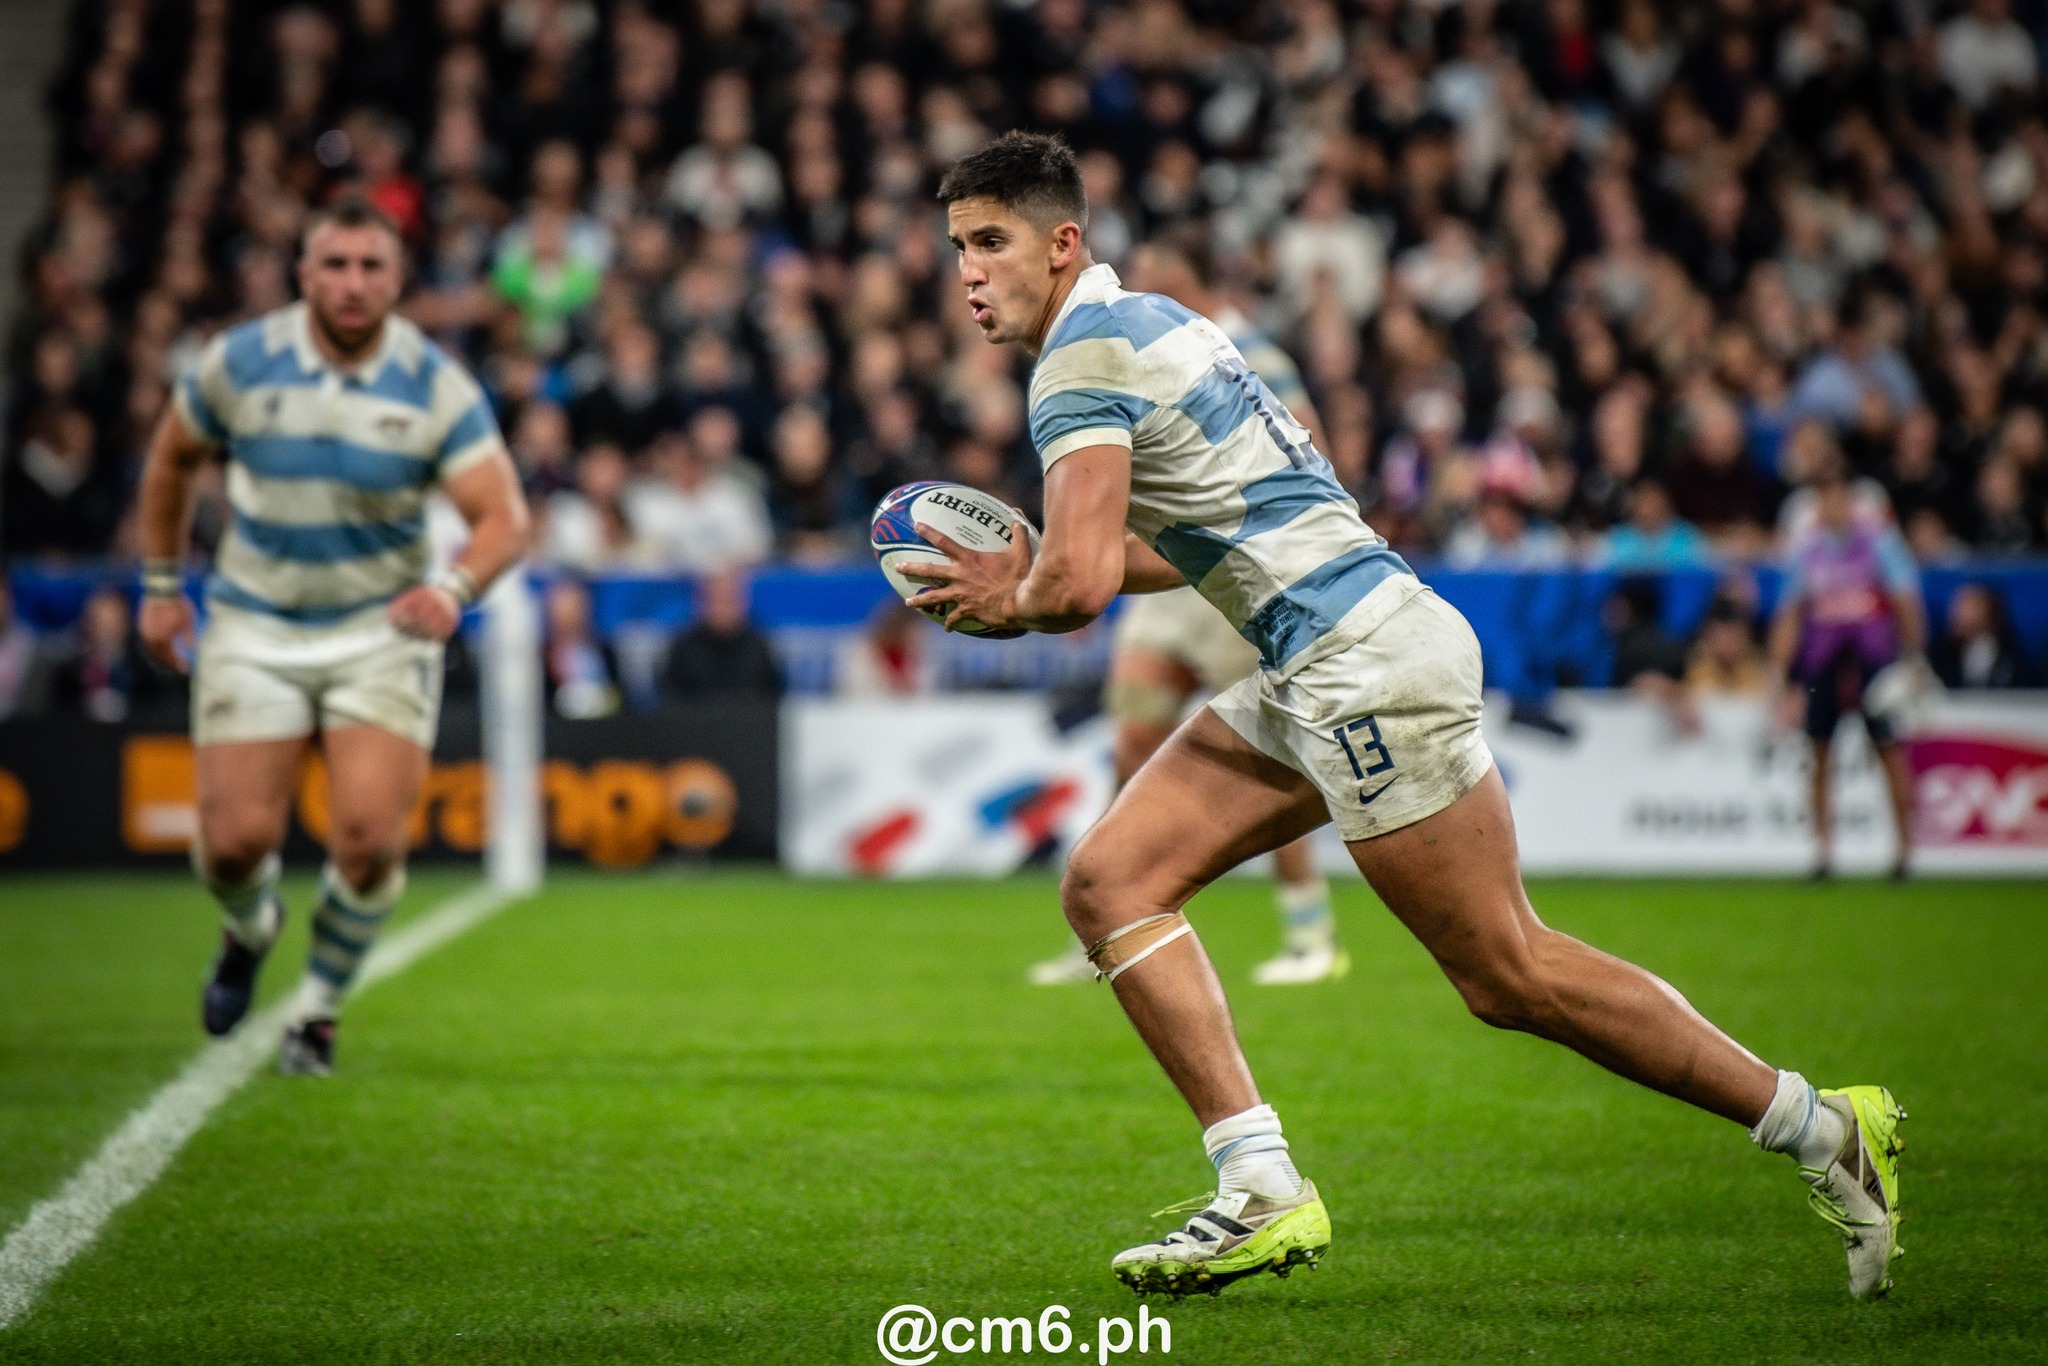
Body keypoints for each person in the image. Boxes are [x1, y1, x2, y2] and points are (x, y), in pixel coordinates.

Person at [907, 133, 1903, 1302]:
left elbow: (1071, 592)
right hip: (1337, 646)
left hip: (1359, 664)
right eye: (956, 248)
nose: (969, 271)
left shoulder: (1074, 360)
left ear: (1061, 242)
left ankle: (1817, 1123)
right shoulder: (1165, 321)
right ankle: (1261, 1190)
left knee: (1508, 973)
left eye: (990, 241)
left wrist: (1008, 593)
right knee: (1110, 882)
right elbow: (1231, 519)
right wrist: (1048, 567)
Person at [136, 197, 532, 1076]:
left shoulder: (435, 382)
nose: (353, 284)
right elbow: (169, 459)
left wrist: (454, 587)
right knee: (233, 847)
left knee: (369, 840)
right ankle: (251, 927)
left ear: (399, 280)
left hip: (378, 630)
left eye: (372, 267)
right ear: (304, 272)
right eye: (336, 265)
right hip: (252, 623)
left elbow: (504, 518)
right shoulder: (240, 361)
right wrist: (162, 587)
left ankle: (315, 1011)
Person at [1025, 237, 1348, 990]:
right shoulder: (1135, 343)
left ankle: (1312, 934)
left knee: (1273, 756)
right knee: (1132, 744)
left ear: (1184, 277)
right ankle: (1107, 923)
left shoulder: (1243, 345)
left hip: (1228, 573)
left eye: (1154, 274)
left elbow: (1306, 446)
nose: (1138, 285)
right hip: (1160, 574)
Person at [1766, 463, 1923, 882]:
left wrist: (1913, 658)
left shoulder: (1880, 543)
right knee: (1818, 754)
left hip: (1874, 662)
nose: (1832, 508)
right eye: (1824, 501)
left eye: (1838, 499)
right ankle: (1823, 853)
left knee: (1889, 752)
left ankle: (1905, 853)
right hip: (1823, 663)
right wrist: (1780, 672)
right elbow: (1789, 613)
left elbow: (1906, 599)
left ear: (1851, 503)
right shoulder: (1808, 550)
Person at [661, 569, 783, 700]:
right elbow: (670, 698)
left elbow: (772, 697)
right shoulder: (683, 647)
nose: (722, 608)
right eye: (716, 601)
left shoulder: (759, 647)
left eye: (729, 600)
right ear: (700, 603)